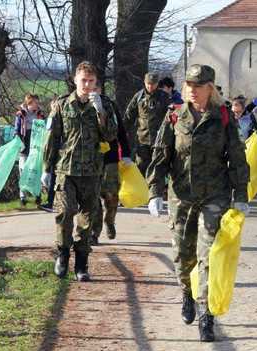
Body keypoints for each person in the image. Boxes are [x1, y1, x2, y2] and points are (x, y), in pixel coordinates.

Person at [147, 64, 249, 342]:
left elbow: (237, 158)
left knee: (209, 257)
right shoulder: (174, 117)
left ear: (210, 88)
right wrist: (155, 192)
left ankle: (207, 315)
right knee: (183, 254)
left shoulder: (224, 117)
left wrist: (241, 195)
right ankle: (186, 293)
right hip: (181, 196)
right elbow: (160, 156)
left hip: (214, 195)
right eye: (189, 85)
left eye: (198, 85)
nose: (192, 90)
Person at [43, 61, 118, 281]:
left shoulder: (104, 105)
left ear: (97, 83)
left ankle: (82, 263)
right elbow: (52, 138)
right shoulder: (62, 105)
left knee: (87, 219)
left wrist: (100, 112)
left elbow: (111, 136)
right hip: (66, 170)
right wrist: (46, 168)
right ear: (75, 80)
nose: (87, 85)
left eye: (91, 81)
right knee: (65, 213)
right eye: (83, 80)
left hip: (92, 171)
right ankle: (63, 254)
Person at [90, 88, 132, 245]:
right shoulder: (82, 105)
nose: (92, 91)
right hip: (90, 160)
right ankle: (94, 232)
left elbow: (120, 130)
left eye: (95, 87)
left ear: (100, 88)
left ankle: (110, 221)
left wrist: (126, 153)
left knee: (111, 197)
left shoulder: (109, 105)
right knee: (93, 198)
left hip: (110, 159)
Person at [124, 72, 171, 176]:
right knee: (140, 168)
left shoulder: (164, 97)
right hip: (142, 140)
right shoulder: (139, 97)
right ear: (144, 83)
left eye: (153, 84)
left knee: (157, 169)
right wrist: (123, 133)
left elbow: (170, 116)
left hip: (159, 140)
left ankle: (156, 191)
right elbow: (129, 116)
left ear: (157, 83)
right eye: (148, 83)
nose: (150, 86)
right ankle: (141, 191)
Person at [14, 93, 46, 207]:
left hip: (36, 144)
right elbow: (17, 129)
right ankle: (22, 196)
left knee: (36, 170)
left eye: (38, 103)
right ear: (29, 103)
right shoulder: (21, 114)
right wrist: (18, 141)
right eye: (35, 103)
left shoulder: (40, 114)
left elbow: (44, 128)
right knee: (23, 170)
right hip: (25, 142)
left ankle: (37, 195)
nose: (37, 105)